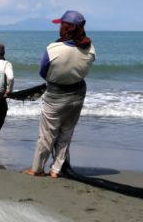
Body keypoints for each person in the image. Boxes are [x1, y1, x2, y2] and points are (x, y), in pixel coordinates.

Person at [23, 11, 96, 178]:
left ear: (65, 28)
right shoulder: (90, 48)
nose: (59, 28)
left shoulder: (53, 49)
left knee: (47, 134)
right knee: (66, 133)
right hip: (78, 93)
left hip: (56, 95)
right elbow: (86, 67)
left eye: (60, 25)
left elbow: (43, 71)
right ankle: (56, 170)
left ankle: (37, 169)